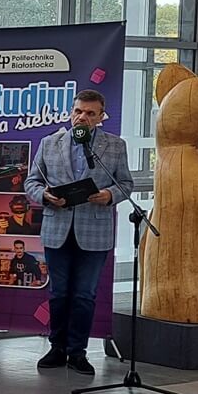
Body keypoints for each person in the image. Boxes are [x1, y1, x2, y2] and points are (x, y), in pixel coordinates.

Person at [24, 89, 134, 375]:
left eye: (90, 113)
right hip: (57, 228)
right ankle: (57, 348)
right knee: (59, 293)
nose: (82, 117)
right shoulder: (49, 143)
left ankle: (78, 352)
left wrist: (109, 195)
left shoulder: (114, 146)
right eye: (78, 111)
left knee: (84, 295)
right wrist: (45, 196)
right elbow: (31, 182)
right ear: (71, 112)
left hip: (94, 231)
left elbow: (125, 184)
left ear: (100, 117)